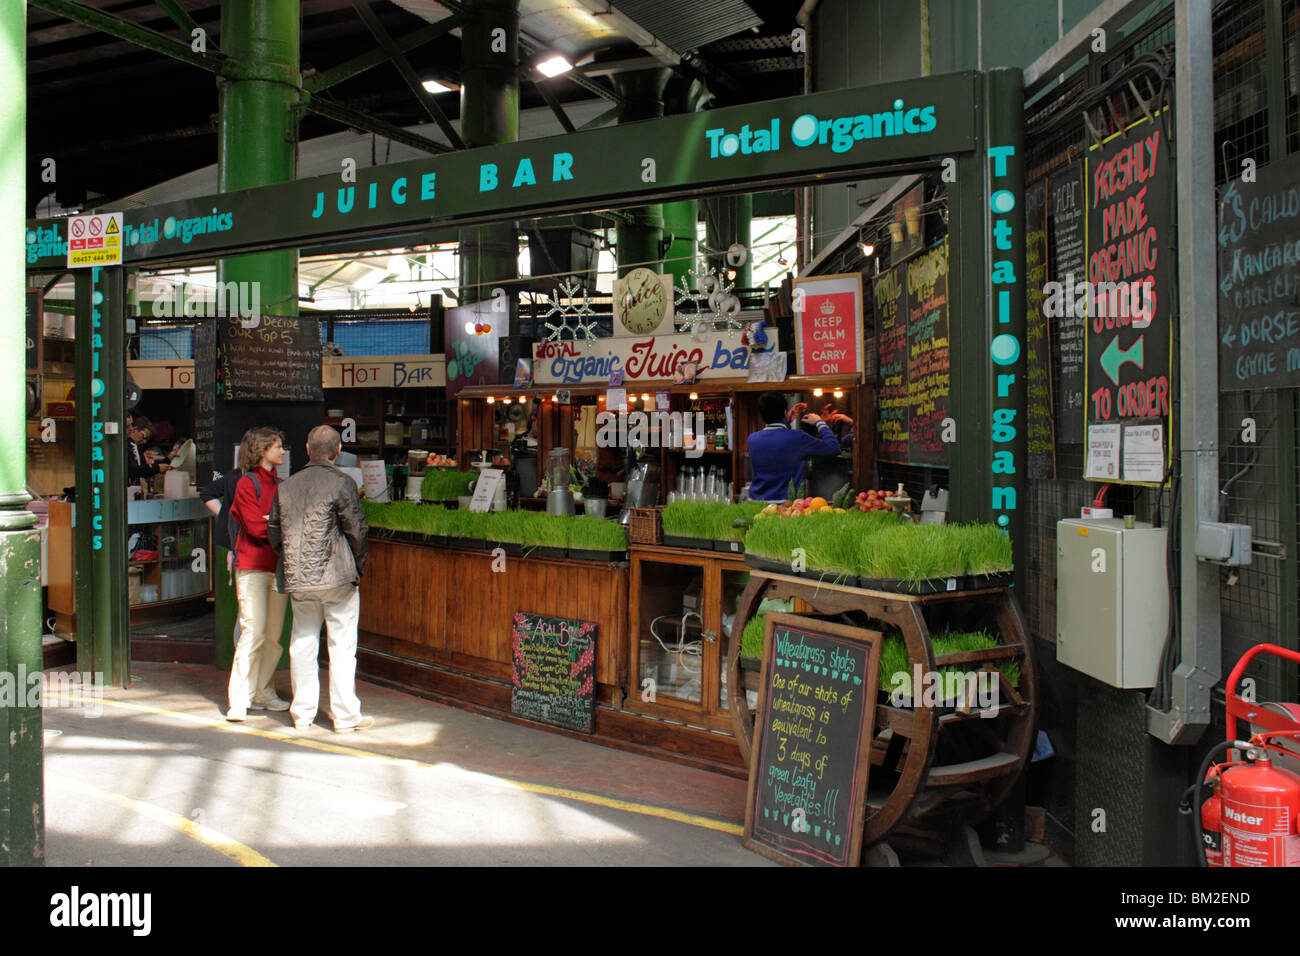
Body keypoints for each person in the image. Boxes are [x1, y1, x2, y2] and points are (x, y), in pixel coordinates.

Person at [268, 425, 371, 734]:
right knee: (341, 647)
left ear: (307, 449)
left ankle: (301, 714)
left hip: (300, 578)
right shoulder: (342, 482)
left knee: (302, 643)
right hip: (338, 578)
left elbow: (274, 531)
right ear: (338, 451)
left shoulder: (286, 485)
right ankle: (344, 716)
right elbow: (357, 530)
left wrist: (291, 560)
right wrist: (359, 566)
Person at [225, 426, 291, 721]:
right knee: (253, 632)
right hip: (252, 567)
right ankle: (239, 698)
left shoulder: (278, 484)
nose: (282, 452)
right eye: (277, 447)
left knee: (273, 635)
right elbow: (255, 527)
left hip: (274, 567)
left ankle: (262, 691)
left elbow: (267, 525)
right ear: (262, 450)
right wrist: (274, 523)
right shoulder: (246, 485)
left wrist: (269, 522)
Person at [746, 391, 842, 501]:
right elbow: (834, 447)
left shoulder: (752, 439)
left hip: (756, 503)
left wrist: (786, 420)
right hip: (785, 506)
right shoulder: (797, 438)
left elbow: (777, 437)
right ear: (785, 412)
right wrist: (819, 422)